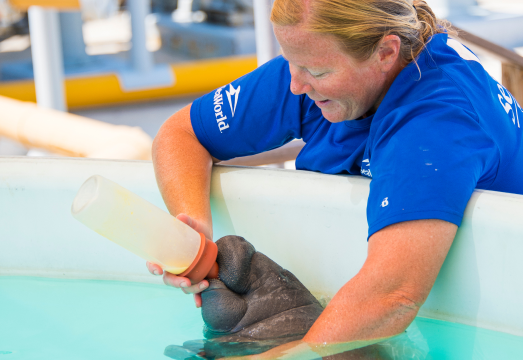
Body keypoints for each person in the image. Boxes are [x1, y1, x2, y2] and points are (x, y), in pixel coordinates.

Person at [148, 0, 523, 357]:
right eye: (290, 61)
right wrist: (193, 229)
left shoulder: (435, 124)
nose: (295, 85)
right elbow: (181, 135)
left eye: (316, 71)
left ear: (386, 53)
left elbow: (392, 297)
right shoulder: (315, 61)